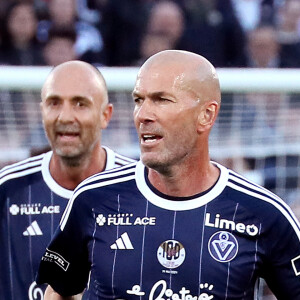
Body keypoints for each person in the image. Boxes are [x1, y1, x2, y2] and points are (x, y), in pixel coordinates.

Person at [37, 50, 300, 299]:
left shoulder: (263, 213)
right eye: (139, 100)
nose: (142, 115)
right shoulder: (92, 199)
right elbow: (59, 289)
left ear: (206, 116)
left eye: (161, 100)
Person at [0, 60, 135, 300]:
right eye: (54, 103)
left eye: (80, 104)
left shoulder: (137, 189)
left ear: (105, 115)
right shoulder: (8, 190)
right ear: (42, 112)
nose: (65, 116)